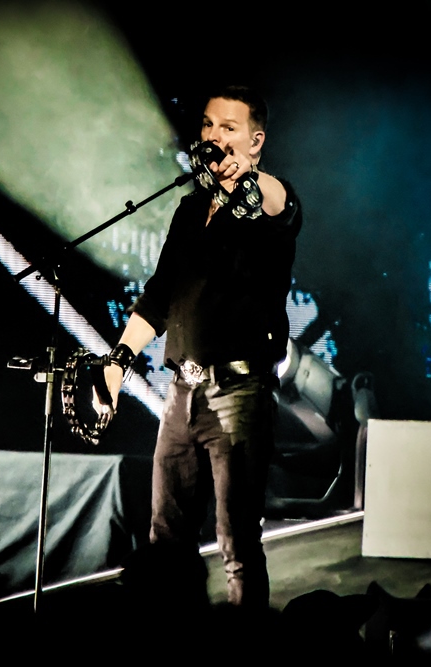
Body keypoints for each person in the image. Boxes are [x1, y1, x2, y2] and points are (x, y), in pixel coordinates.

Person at [96, 85, 302, 607]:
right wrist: (118, 363)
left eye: (229, 128)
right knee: (165, 540)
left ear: (256, 140)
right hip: (180, 393)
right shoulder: (190, 210)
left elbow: (280, 202)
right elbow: (159, 297)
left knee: (238, 544)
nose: (214, 136)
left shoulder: (269, 207)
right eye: (208, 125)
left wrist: (250, 177)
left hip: (239, 393)